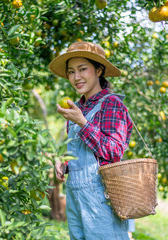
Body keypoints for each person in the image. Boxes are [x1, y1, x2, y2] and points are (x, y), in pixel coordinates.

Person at [49, 41, 133, 240]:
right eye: (70, 72)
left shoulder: (111, 104)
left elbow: (113, 152)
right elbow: (81, 151)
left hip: (100, 197)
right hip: (75, 195)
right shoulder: (77, 107)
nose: (76, 77)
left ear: (98, 70)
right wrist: (65, 163)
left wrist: (82, 122)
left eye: (82, 69)